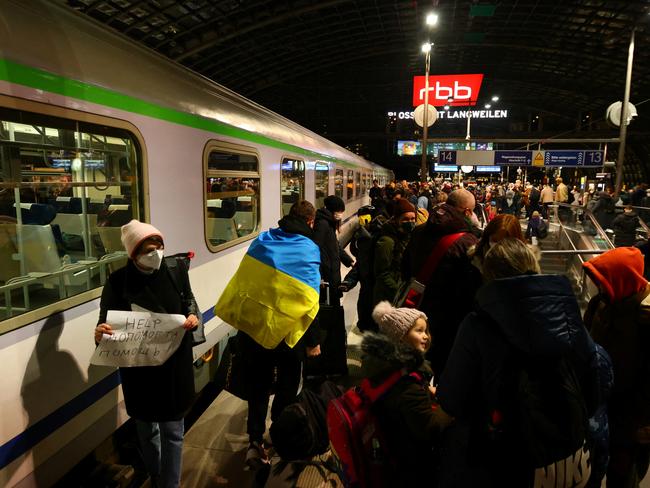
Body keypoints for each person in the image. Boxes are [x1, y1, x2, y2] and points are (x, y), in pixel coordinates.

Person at [437, 239, 599, 487]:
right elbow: (595, 376)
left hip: (505, 459)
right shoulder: (567, 311)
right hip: (570, 460)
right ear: (534, 262)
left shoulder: (478, 324)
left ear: (487, 273)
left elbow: (452, 399)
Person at [214, 201, 322, 469]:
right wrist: (313, 341)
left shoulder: (263, 241)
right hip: (287, 336)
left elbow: (246, 283)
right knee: (287, 386)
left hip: (255, 331)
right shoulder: (309, 249)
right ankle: (278, 431)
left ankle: (254, 441)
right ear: (310, 222)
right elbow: (309, 299)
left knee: (258, 387)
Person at [94, 220, 200, 488]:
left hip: (174, 366)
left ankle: (169, 484)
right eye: (148, 249)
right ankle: (155, 472)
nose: (156, 253)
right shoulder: (118, 282)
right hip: (139, 368)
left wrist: (192, 318)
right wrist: (101, 334)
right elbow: (106, 325)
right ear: (133, 254)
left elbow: (189, 302)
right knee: (146, 426)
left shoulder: (175, 270)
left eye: (159, 246)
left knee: (173, 431)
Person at [361, 301, 453, 486]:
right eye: (418, 331)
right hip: (406, 457)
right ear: (400, 337)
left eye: (426, 330)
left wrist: (425, 389)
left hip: (388, 437)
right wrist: (451, 410)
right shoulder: (407, 384)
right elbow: (429, 428)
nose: (426, 336)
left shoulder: (385, 364)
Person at [583, 247, 650, 487]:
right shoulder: (600, 304)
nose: (598, 286)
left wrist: (645, 422)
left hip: (631, 417)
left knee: (623, 475)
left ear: (621, 280)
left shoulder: (645, 318)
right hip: (600, 406)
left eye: (604, 280)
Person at [401, 189, 481, 379]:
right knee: (445, 367)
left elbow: (404, 267)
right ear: (468, 212)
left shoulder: (419, 230)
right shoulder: (468, 242)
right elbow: (473, 287)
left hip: (418, 309)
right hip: (451, 319)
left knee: (418, 360)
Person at [372, 198, 416, 305]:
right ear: (396, 219)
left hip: (398, 293)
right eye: (405, 219)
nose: (410, 222)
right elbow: (382, 273)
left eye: (413, 219)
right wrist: (399, 292)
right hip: (387, 297)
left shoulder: (407, 236)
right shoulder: (387, 241)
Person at [313, 195, 354, 305]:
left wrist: (349, 261)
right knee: (330, 307)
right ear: (332, 210)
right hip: (327, 275)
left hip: (331, 271)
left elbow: (335, 245)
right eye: (340, 211)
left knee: (333, 304)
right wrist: (320, 276)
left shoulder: (328, 223)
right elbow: (315, 250)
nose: (341, 214)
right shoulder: (322, 224)